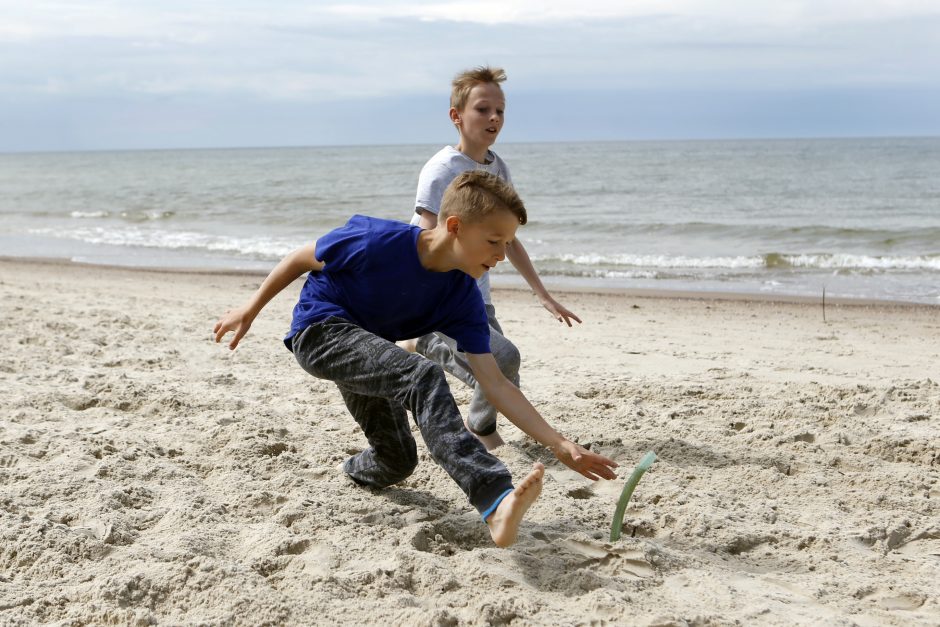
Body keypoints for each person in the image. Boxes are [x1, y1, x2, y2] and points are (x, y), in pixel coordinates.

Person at [213, 170, 618, 548]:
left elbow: (494, 383)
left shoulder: (462, 298)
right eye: (494, 241)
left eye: (508, 244)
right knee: (423, 375)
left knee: (397, 461)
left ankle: (349, 470)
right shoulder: (376, 240)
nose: (501, 255)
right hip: (320, 332)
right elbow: (301, 258)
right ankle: (494, 499)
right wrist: (250, 309)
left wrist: (560, 443)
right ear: (455, 226)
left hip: (374, 352)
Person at [403, 66, 580, 450]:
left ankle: (478, 424)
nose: (494, 118)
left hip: (477, 294)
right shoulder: (441, 170)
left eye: (500, 110)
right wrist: (419, 301)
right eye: (483, 109)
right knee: (503, 361)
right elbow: (425, 236)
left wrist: (543, 295)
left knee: (506, 367)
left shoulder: (497, 167)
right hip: (442, 297)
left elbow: (509, 238)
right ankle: (428, 346)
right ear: (457, 116)